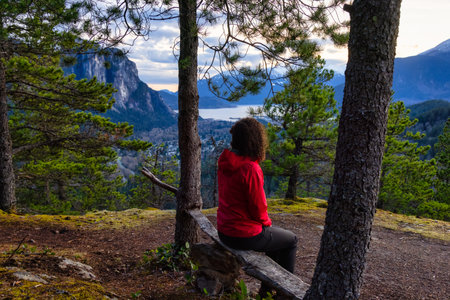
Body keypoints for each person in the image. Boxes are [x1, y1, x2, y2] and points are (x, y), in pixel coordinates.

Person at [216, 117, 297, 296]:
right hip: (243, 235)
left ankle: (266, 292)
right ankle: (284, 295)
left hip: (224, 230)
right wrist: (266, 222)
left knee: (274, 243)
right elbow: (258, 208)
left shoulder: (225, 162)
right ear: (255, 140)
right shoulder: (250, 168)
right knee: (291, 241)